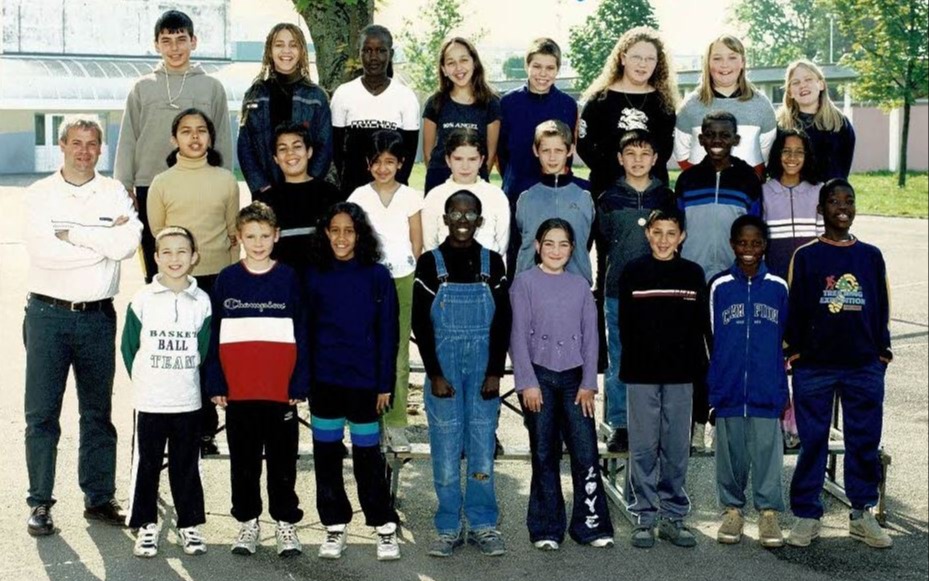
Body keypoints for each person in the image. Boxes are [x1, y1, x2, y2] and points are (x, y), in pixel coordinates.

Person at [24, 115, 142, 536]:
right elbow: (44, 252)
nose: (84, 151)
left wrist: (73, 234)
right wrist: (100, 240)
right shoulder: (40, 194)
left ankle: (99, 498)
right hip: (47, 315)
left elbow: (128, 244)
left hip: (97, 316)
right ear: (62, 146)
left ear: (101, 147)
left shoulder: (112, 192)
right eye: (76, 143)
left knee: (97, 413)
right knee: (42, 415)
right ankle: (39, 502)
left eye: (92, 143)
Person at [784, 179, 893, 550]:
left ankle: (862, 512)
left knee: (864, 440)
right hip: (814, 366)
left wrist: (882, 353)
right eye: (833, 201)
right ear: (821, 209)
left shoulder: (870, 255)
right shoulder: (807, 255)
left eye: (849, 200)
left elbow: (882, 306)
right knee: (812, 441)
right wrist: (795, 352)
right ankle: (806, 516)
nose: (842, 206)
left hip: (863, 364)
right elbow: (795, 307)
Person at [205, 202, 309, 558]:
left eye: (265, 235)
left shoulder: (290, 278)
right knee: (244, 462)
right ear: (239, 238)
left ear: (276, 236)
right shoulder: (227, 279)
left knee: (283, 462)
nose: (259, 242)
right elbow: (215, 334)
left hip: (280, 391)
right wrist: (216, 380)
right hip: (239, 391)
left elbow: (302, 332)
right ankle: (248, 521)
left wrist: (299, 380)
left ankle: (285, 521)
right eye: (251, 236)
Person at [412, 191, 511, 558]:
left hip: (484, 368)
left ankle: (484, 523)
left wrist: (495, 372)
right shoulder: (429, 263)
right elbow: (421, 324)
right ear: (446, 218)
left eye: (471, 214)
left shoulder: (493, 263)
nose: (463, 220)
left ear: (480, 221)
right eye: (456, 213)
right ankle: (448, 526)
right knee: (446, 446)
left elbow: (502, 320)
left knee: (483, 446)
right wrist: (434, 373)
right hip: (445, 369)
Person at [304, 202, 402, 561]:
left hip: (365, 383)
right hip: (325, 380)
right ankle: (334, 525)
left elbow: (388, 332)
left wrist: (384, 383)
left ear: (360, 234)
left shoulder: (377, 275)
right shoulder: (313, 274)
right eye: (335, 230)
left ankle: (383, 525)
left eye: (349, 230)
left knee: (367, 457)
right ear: (325, 233)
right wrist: (304, 380)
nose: (342, 237)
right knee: (327, 456)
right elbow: (305, 331)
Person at [510, 218, 614, 551]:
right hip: (539, 376)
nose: (556, 250)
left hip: (574, 380)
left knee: (585, 451)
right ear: (538, 246)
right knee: (544, 451)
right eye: (549, 243)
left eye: (564, 244)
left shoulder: (580, 286)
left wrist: (588, 383)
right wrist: (527, 382)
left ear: (573, 250)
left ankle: (591, 525)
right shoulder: (523, 283)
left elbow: (591, 337)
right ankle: (546, 527)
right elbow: (517, 338)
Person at [114, 9, 233, 283]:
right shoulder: (142, 87)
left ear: (194, 41)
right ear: (156, 45)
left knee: (199, 255)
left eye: (181, 39)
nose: (174, 47)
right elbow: (128, 137)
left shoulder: (212, 87)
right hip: (148, 184)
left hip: (201, 182)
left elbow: (223, 137)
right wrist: (124, 186)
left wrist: (222, 179)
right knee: (159, 259)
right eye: (166, 41)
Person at [147, 107, 239, 456]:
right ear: (174, 140)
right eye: (186, 131)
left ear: (210, 138)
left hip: (217, 279)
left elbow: (233, 234)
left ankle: (206, 428)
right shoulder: (162, 183)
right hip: (178, 280)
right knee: (183, 353)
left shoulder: (225, 180)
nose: (194, 137)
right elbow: (159, 232)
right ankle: (181, 423)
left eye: (201, 130)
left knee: (209, 353)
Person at [618, 208, 708, 549]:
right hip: (641, 374)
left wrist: (700, 376)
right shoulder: (634, 272)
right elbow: (625, 327)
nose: (663, 240)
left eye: (671, 233)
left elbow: (701, 328)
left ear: (682, 236)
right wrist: (635, 362)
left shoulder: (692, 274)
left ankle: (673, 514)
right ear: (648, 234)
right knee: (643, 447)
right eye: (657, 232)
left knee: (674, 448)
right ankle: (644, 515)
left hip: (681, 375)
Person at [121, 226, 212, 558]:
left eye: (182, 252)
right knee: (146, 464)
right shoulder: (143, 299)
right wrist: (147, 380)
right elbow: (129, 347)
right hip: (151, 400)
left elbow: (203, 349)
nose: (175, 259)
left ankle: (189, 525)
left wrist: (184, 377)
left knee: (186, 465)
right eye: (167, 252)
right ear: (156, 258)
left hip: (187, 400)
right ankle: (145, 525)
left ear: (194, 257)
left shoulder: (201, 301)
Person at [675, 110, 761, 450]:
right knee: (695, 355)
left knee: (727, 354)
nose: (717, 142)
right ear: (700, 139)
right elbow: (677, 229)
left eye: (725, 135)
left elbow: (756, 231)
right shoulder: (687, 180)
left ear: (736, 140)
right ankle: (696, 422)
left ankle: (721, 421)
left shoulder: (747, 180)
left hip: (731, 280)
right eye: (710, 135)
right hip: (693, 280)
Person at [707, 215, 789, 549]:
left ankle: (768, 514)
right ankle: (732, 509)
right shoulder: (719, 287)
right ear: (732, 244)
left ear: (765, 246)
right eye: (742, 242)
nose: (749, 249)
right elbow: (711, 337)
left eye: (756, 243)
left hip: (766, 388)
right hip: (728, 389)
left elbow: (785, 335)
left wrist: (778, 382)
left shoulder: (778, 288)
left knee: (768, 453)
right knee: (730, 454)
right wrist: (717, 382)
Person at [597, 130, 674, 452]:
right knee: (620, 359)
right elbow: (602, 246)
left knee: (657, 355)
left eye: (645, 154)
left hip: (658, 290)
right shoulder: (608, 198)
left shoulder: (665, 197)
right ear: (620, 159)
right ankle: (621, 424)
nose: (638, 160)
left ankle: (653, 421)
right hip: (618, 291)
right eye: (631, 154)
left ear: (656, 159)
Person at [347, 130, 423, 451]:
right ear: (368, 164)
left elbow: (417, 241)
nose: (383, 168)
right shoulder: (359, 197)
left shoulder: (410, 197)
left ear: (401, 164)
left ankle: (395, 423)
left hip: (403, 277)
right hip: (368, 279)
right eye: (377, 162)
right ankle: (367, 418)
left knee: (398, 349)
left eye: (389, 162)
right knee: (366, 346)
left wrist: (411, 269)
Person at [499, 38, 578, 273]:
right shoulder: (508, 103)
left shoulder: (567, 105)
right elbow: (502, 152)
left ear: (558, 69)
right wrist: (514, 180)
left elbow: (568, 151)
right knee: (519, 257)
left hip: (554, 192)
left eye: (550, 68)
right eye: (537, 66)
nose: (543, 74)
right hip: (517, 190)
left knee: (556, 255)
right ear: (527, 66)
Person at [577, 26, 678, 193]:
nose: (642, 64)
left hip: (652, 190)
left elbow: (665, 150)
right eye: (636, 57)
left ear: (657, 62)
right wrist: (615, 176)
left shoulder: (663, 102)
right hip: (607, 190)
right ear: (623, 58)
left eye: (650, 58)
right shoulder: (600, 99)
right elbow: (584, 145)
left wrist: (640, 177)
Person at [238, 23, 333, 196]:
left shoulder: (316, 96)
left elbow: (325, 145)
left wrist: (308, 182)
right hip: (266, 193)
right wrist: (261, 186)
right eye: (279, 45)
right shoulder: (255, 94)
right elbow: (245, 146)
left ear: (302, 50)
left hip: (307, 191)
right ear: (269, 51)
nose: (286, 51)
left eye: (293, 45)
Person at [331, 24, 420, 196]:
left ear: (390, 54)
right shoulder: (343, 94)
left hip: (392, 190)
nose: (373, 57)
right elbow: (336, 149)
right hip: (353, 188)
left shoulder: (405, 97)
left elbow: (408, 154)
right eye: (367, 50)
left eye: (380, 50)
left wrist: (395, 189)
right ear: (359, 53)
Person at [674, 34, 776, 176]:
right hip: (703, 191)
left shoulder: (761, 104)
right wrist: (699, 178)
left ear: (742, 62)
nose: (725, 64)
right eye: (717, 58)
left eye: (732, 57)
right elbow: (681, 152)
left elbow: (767, 152)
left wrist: (748, 178)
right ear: (708, 63)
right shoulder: (690, 105)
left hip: (746, 191)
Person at [255, 121, 342, 276]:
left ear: (309, 151)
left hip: (323, 280)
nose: (290, 154)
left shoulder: (330, 194)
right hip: (282, 283)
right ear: (275, 158)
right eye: (283, 149)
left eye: (297, 146)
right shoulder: (265, 201)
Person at [515, 120, 595, 284]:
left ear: (570, 150)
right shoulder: (524, 192)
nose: (552, 157)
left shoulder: (586, 192)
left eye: (558, 150)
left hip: (575, 284)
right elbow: (519, 238)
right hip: (531, 286)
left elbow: (587, 239)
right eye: (546, 150)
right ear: (535, 151)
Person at [422, 37, 501, 193]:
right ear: (444, 69)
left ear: (474, 63)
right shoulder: (435, 103)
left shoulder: (490, 103)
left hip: (475, 181)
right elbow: (427, 153)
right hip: (439, 181)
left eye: (464, 60)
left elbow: (490, 154)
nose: (459, 68)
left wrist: (475, 177)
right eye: (451, 63)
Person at [422, 128, 510, 256]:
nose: (465, 166)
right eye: (458, 159)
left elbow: (502, 243)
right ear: (448, 160)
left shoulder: (496, 196)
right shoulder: (434, 196)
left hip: (486, 271)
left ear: (481, 160)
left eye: (472, 159)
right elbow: (429, 244)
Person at [777, 59, 856, 180]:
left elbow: (842, 170)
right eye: (796, 82)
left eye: (808, 79)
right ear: (790, 93)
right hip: (790, 196)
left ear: (821, 84)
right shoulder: (780, 126)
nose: (803, 85)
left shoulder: (839, 124)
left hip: (828, 195)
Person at [762, 128, 823, 280]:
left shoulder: (818, 191)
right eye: (786, 151)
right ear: (778, 154)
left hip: (811, 274)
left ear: (806, 156)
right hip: (775, 273)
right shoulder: (764, 191)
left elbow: (823, 236)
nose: (792, 157)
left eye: (799, 152)